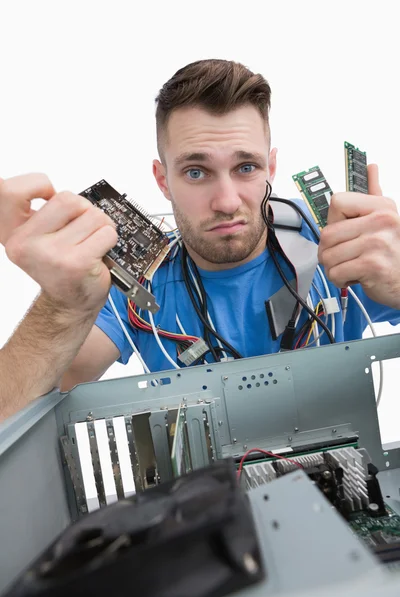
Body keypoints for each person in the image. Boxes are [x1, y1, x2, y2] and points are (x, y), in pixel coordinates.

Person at [1, 58, 400, 422]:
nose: (226, 202)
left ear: (271, 167)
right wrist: (61, 304)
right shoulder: (137, 286)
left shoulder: (340, 245)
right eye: (196, 172)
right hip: (206, 498)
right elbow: (15, 412)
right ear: (162, 180)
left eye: (246, 167)